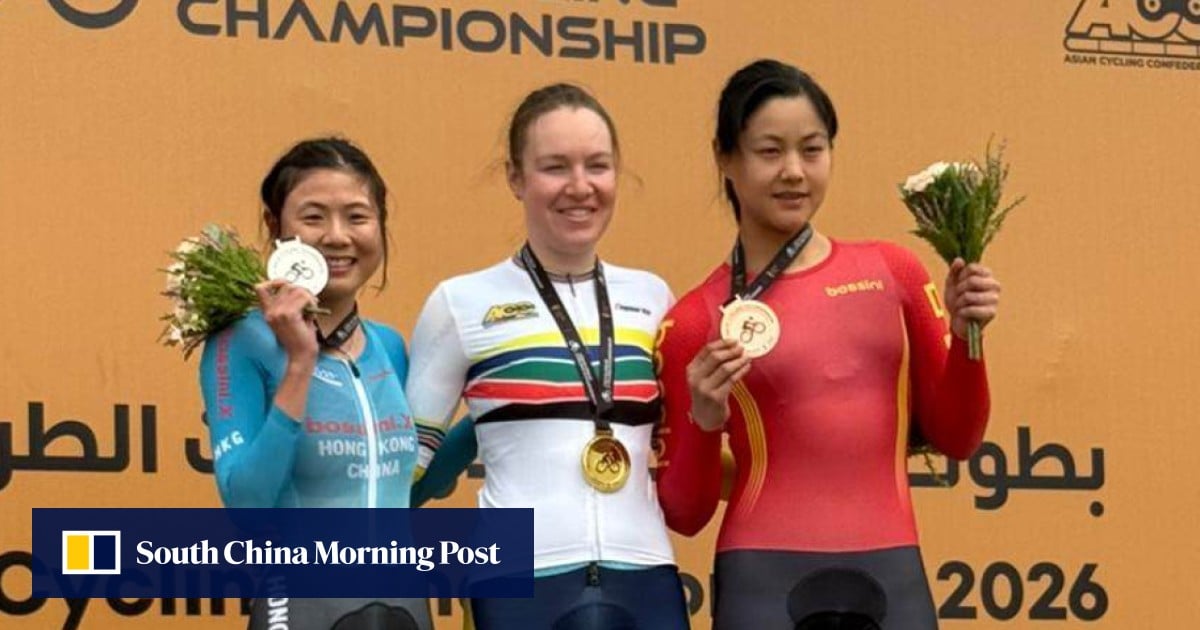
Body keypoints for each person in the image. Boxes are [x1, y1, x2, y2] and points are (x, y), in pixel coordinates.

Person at [654, 59, 1001, 630]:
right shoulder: (694, 321)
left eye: (812, 150)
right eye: (770, 151)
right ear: (725, 158)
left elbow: (959, 438)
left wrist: (968, 337)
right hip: (761, 579)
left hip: (893, 573)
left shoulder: (894, 272)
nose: (793, 171)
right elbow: (685, 513)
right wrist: (705, 416)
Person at [405, 84, 690, 629]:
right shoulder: (461, 303)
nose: (580, 187)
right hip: (516, 578)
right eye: (555, 167)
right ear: (516, 178)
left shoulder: (654, 297)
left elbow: (684, 454)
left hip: (647, 573)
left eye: (597, 165)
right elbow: (402, 478)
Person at [199, 137, 434, 629]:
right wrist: (300, 363)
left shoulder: (389, 346)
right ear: (275, 227)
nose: (337, 236)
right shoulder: (240, 342)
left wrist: (495, 408)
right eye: (313, 217)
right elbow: (247, 505)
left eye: (357, 216)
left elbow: (414, 484)